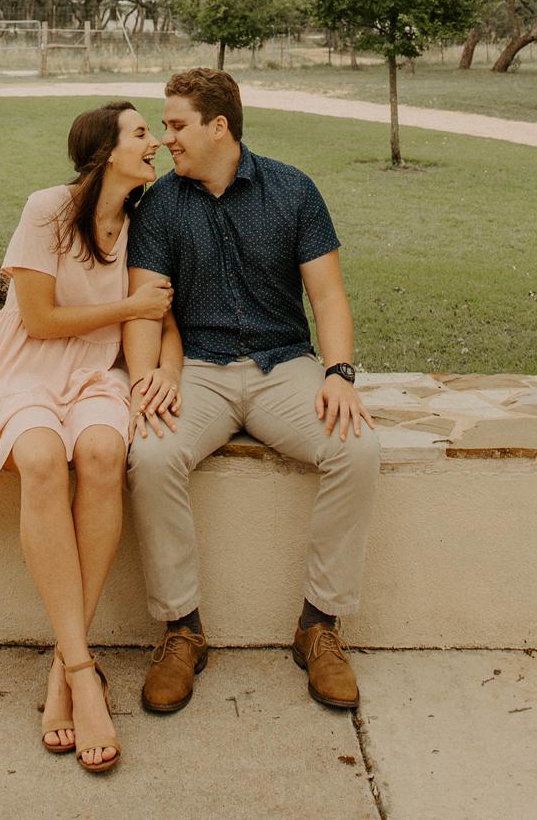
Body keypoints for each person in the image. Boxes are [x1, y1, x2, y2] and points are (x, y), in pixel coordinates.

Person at [0, 99, 179, 773]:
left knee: (101, 452)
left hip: (97, 372)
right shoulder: (47, 210)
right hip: (26, 369)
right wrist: (127, 306)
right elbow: (38, 320)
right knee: (41, 458)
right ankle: (83, 673)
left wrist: (164, 373)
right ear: (105, 152)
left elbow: (163, 316)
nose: (154, 143)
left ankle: (65, 667)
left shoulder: (144, 223)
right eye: (140, 134)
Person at [124, 66, 380, 717]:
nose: (166, 138)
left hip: (283, 366)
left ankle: (319, 626)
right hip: (199, 370)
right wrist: (151, 374)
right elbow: (147, 306)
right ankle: (182, 630)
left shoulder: (293, 190)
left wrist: (339, 372)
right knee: (150, 455)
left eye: (176, 125)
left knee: (356, 449)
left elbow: (328, 296)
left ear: (219, 127)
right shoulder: (160, 205)